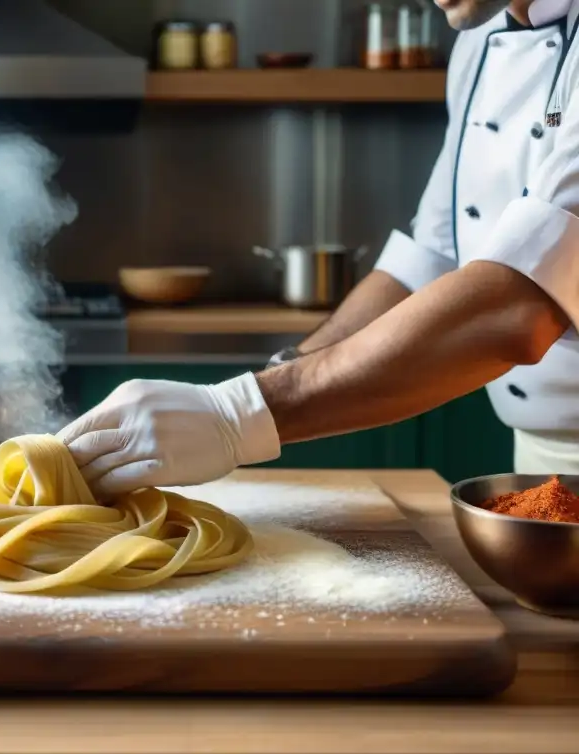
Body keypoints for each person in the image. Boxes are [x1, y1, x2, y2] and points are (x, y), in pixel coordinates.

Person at [58, 0, 579, 499]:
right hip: (534, 461)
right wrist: (286, 368)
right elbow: (433, 259)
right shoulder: (478, 41)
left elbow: (521, 301)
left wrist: (236, 414)